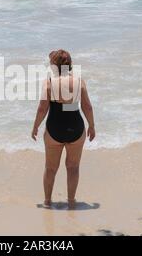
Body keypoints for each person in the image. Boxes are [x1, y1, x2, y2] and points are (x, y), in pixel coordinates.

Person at [31, 50, 95, 210]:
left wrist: (35, 126)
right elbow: (86, 106)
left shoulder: (49, 82)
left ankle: (47, 201)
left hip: (54, 128)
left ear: (54, 65)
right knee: (73, 167)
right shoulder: (79, 81)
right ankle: (71, 201)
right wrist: (92, 126)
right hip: (76, 127)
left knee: (50, 168)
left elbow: (42, 108)